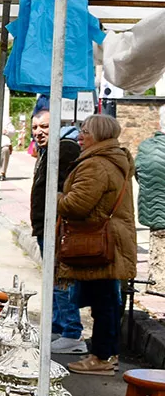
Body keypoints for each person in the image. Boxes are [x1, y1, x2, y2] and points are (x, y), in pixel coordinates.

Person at [58, 114, 135, 375]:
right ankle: (106, 354)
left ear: (100, 135)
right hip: (113, 240)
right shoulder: (113, 160)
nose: (80, 136)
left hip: (100, 243)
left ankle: (100, 358)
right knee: (108, 300)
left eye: (86, 132)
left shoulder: (97, 165)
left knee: (104, 302)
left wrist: (55, 197)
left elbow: (76, 205)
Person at [29, 109, 85, 353]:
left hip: (58, 225)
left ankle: (72, 332)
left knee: (61, 279)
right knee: (53, 278)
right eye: (35, 128)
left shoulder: (64, 148)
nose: (39, 132)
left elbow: (65, 189)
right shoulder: (48, 150)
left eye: (44, 127)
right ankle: (58, 326)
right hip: (46, 224)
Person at [137, 106, 165, 297]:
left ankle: (156, 286)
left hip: (152, 213)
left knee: (158, 255)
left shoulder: (145, 147)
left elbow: (138, 174)